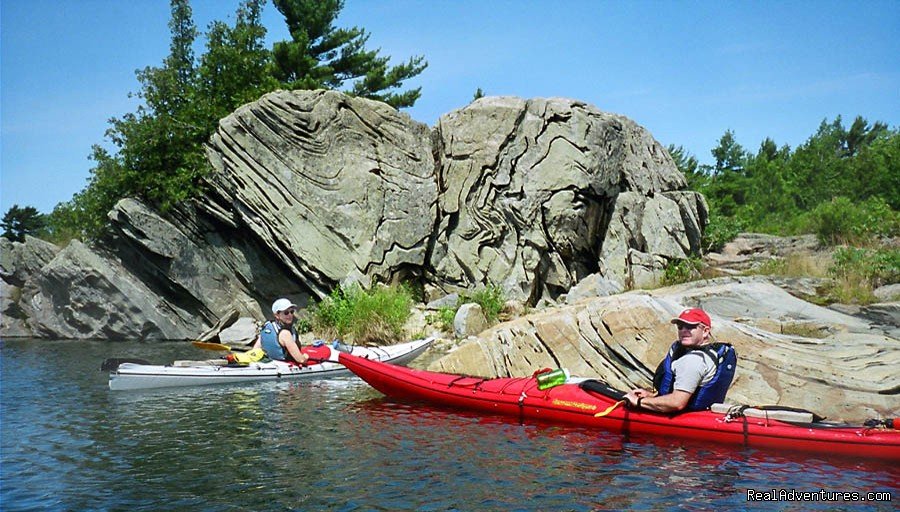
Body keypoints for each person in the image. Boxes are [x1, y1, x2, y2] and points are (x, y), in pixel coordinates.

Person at [623, 308, 736, 413]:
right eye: (680, 327)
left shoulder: (693, 361)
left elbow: (677, 403)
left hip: (684, 416)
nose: (684, 331)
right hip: (700, 413)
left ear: (705, 331)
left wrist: (638, 402)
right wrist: (651, 396)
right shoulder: (710, 355)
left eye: (690, 327)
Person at [253, 298, 310, 365]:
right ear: (277, 315)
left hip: (270, 364)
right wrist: (306, 356)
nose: (290, 315)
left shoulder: (267, 327)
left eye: (292, 312)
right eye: (286, 313)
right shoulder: (285, 334)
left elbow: (254, 350)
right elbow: (301, 360)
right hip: (284, 367)